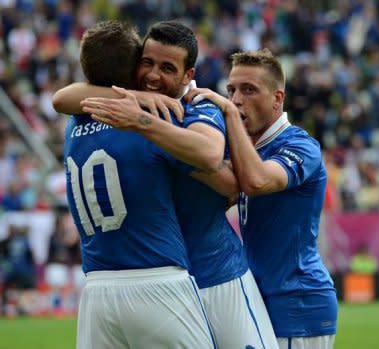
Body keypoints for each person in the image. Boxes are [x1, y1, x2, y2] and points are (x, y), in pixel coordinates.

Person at [54, 20, 278, 349]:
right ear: (133, 66)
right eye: (147, 63)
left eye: (167, 68)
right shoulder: (131, 110)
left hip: (216, 274)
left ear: (189, 75)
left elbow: (225, 175)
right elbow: (63, 97)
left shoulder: (198, 106)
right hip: (160, 276)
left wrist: (145, 125)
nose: (154, 76)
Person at [62, 21, 216, 349]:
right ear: (134, 69)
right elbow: (212, 161)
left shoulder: (74, 122)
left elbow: (64, 97)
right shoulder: (154, 118)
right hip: (157, 278)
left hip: (96, 291)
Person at [185, 49, 338, 349]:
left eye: (249, 90)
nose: (236, 99)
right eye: (231, 90)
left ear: (277, 99)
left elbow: (256, 181)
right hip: (258, 296)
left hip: (298, 300)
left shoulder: (300, 145)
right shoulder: (242, 146)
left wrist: (227, 114)